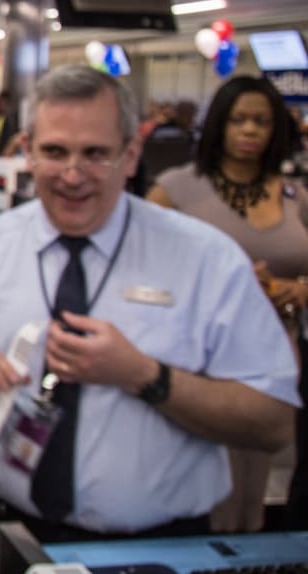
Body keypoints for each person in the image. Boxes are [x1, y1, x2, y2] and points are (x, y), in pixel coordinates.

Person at [0, 66, 299, 568]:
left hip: (160, 545)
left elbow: (272, 423)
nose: (73, 175)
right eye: (55, 152)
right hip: (5, 528)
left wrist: (145, 376)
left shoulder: (206, 259)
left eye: (95, 153)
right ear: (28, 149)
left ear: (131, 154)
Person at [148, 75, 308, 533]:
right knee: (206, 482)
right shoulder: (177, 189)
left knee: (255, 482)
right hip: (202, 360)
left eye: (261, 121)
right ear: (218, 124)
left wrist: (296, 289)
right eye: (239, 120)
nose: (250, 131)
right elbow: (138, 267)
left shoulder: (292, 194)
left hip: (278, 353)